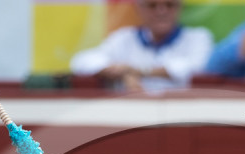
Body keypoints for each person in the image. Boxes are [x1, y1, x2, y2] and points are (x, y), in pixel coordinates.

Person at [69, 0, 213, 92]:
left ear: (180, 8)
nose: (161, 11)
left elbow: (194, 67)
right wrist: (122, 73)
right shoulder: (123, 38)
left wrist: (136, 71)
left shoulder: (198, 37)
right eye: (152, 5)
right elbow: (81, 61)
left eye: (169, 5)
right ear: (139, 9)